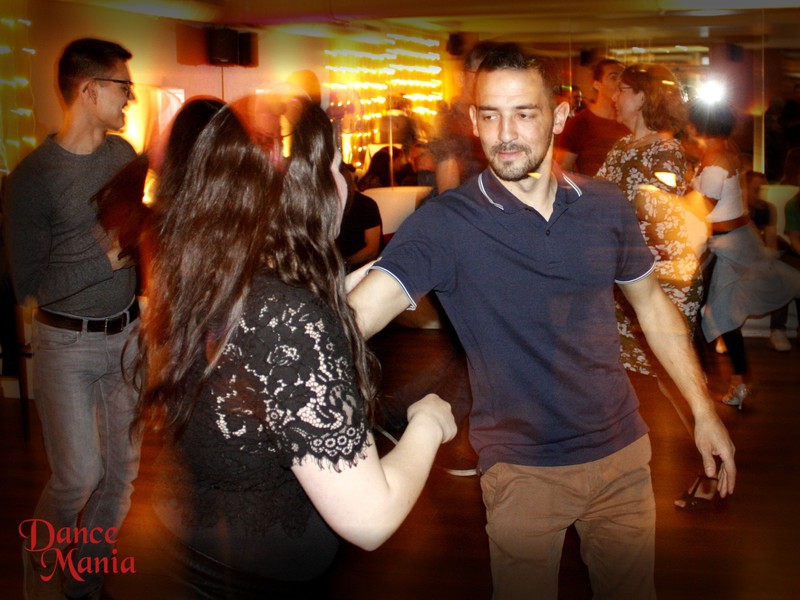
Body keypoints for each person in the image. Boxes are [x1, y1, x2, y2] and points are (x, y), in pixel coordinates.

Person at [347, 43, 736, 600]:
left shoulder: (604, 205)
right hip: (521, 470)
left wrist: (703, 411)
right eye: (490, 115)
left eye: (524, 114)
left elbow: (652, 306)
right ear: (474, 120)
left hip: (622, 455)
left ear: (557, 117)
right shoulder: (446, 224)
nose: (504, 133)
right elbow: (359, 316)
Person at [136, 100, 456, 597]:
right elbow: (370, 519)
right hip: (239, 582)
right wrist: (429, 423)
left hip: (191, 552)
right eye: (337, 168)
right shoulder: (286, 315)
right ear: (311, 187)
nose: (345, 182)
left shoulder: (222, 271)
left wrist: (415, 259)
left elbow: (316, 321)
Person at [3, 38, 141, 599]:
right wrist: (104, 260)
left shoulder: (123, 155)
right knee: (78, 477)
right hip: (66, 346)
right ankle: (39, 583)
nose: (129, 98)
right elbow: (30, 287)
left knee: (121, 476)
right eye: (123, 87)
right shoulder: (32, 179)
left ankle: (84, 580)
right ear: (89, 90)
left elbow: (130, 234)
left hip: (127, 335)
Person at [687, 100, 800, 408]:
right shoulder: (727, 149)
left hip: (730, 246)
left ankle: (731, 381)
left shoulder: (715, 157)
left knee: (716, 313)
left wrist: (675, 195)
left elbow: (703, 205)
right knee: (715, 312)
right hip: (733, 242)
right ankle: (733, 380)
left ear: (700, 125)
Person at [597, 64, 703, 378]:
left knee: (669, 376)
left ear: (644, 97)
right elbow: (594, 196)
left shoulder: (666, 150)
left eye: (622, 90)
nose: (614, 97)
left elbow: (658, 212)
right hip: (629, 276)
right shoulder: (622, 147)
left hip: (662, 279)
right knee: (628, 375)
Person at [556, 59, 629, 176]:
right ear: (597, 84)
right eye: (613, 78)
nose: (620, 83)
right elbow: (562, 170)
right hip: (593, 186)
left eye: (623, 79)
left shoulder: (630, 121)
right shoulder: (580, 123)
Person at [336, 163, 383, 270]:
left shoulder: (366, 205)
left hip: (361, 267)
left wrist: (345, 263)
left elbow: (372, 250)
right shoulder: (327, 207)